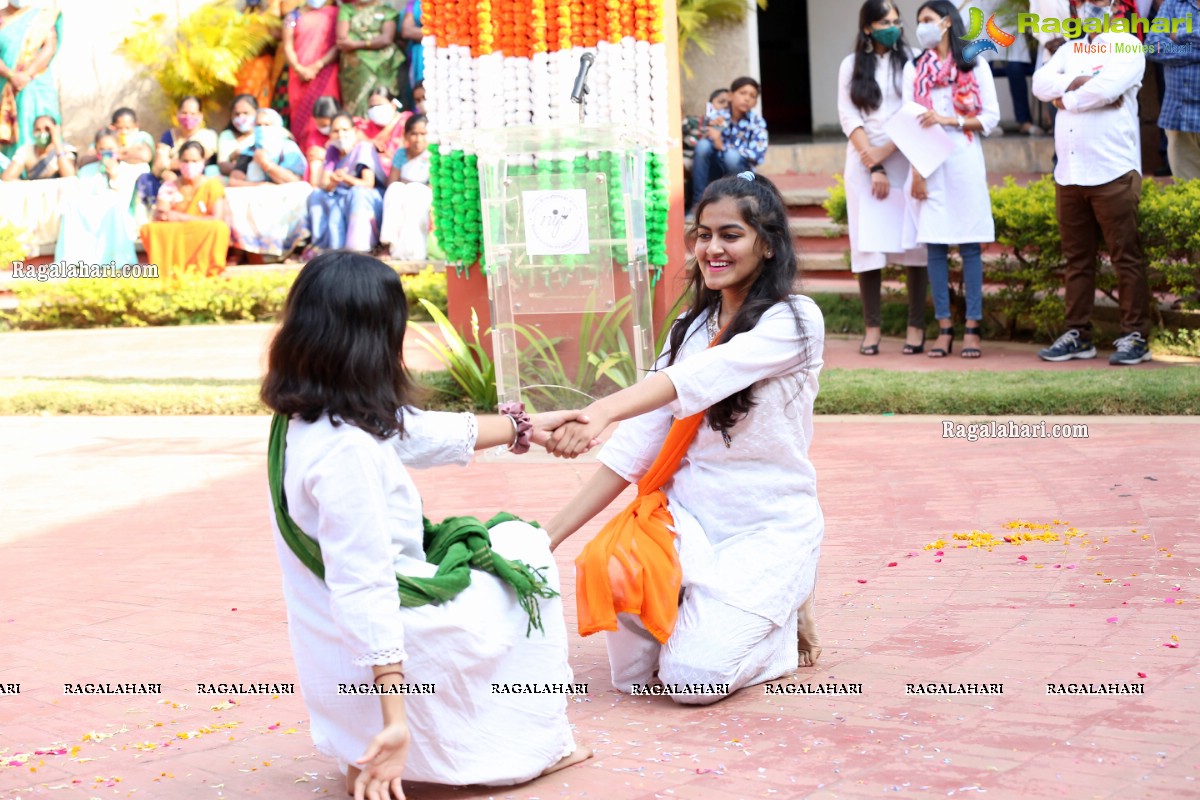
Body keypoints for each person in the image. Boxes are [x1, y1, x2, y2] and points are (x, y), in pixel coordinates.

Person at [261, 251, 592, 796]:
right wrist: (393, 719)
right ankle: (538, 744)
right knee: (527, 551)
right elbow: (364, 586)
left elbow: (411, 431)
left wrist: (522, 428)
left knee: (504, 547)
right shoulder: (348, 452)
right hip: (393, 628)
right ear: (376, 341)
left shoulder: (303, 419)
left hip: (324, 632)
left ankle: (364, 752)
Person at [543, 173, 826, 705]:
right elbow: (634, 448)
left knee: (692, 680)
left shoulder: (796, 320)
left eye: (730, 235)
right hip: (688, 522)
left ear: (766, 244)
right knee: (632, 673)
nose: (712, 248)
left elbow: (702, 378)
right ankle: (714, 610)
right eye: (702, 234)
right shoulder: (690, 331)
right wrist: (549, 535)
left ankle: (780, 625)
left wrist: (601, 407)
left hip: (765, 525)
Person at [1033, 0, 1153, 365]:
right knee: (1077, 259)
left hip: (1112, 172)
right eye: (1087, 3)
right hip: (1069, 174)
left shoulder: (1129, 47)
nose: (1093, 9)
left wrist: (1064, 98)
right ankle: (1077, 335)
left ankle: (1135, 336)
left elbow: (1106, 90)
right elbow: (1040, 83)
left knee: (1126, 257)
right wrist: (1078, 83)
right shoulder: (1069, 49)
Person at [902, 1, 999, 359]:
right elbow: (910, 122)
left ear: (946, 23)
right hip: (929, 165)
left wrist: (949, 120)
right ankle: (944, 328)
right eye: (919, 22)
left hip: (964, 160)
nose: (922, 27)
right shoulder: (914, 69)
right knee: (936, 247)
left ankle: (973, 327)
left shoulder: (974, 64)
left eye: (927, 20)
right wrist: (916, 172)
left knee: (970, 245)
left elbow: (990, 118)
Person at [838, 0, 929, 356]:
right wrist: (872, 162)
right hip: (863, 162)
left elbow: (915, 110)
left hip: (907, 157)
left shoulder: (914, 59)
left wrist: (885, 153)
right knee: (868, 246)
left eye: (896, 20)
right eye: (884, 22)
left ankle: (916, 327)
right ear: (867, 28)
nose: (893, 27)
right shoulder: (851, 64)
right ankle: (872, 329)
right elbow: (848, 115)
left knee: (914, 247)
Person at [226, 108, 312, 257]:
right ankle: (243, 251)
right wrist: (260, 186)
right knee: (229, 195)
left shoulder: (288, 147)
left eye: (267, 124)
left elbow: (294, 180)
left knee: (303, 190)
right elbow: (234, 181)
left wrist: (266, 164)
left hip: (282, 193)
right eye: (258, 125)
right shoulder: (249, 151)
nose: (262, 129)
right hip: (257, 191)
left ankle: (294, 249)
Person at [139, 140, 231, 278]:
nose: (190, 165)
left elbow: (217, 218)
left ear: (203, 161)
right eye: (185, 161)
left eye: (194, 161)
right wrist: (169, 216)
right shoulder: (170, 186)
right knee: (150, 229)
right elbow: (163, 214)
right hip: (178, 231)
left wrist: (182, 218)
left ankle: (208, 269)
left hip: (202, 229)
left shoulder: (212, 185)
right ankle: (168, 272)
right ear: (179, 162)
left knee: (219, 228)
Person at [54, 128, 141, 266]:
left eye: (110, 148)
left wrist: (114, 176)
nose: (106, 152)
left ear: (118, 148)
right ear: (96, 150)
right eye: (102, 148)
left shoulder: (127, 170)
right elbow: (82, 196)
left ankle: (117, 261)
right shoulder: (87, 170)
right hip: (90, 217)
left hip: (116, 217)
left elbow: (123, 200)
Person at [305, 110, 386, 255]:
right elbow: (324, 184)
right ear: (330, 134)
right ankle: (322, 247)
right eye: (336, 131)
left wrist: (346, 178)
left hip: (366, 197)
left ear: (354, 131)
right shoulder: (332, 151)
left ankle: (360, 248)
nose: (341, 135)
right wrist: (333, 182)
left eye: (345, 130)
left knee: (357, 193)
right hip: (340, 195)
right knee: (316, 195)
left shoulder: (363, 148)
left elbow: (368, 183)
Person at [690, 77, 768, 207]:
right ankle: (698, 202)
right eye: (742, 93)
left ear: (755, 102)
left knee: (731, 156)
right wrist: (713, 136)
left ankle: (737, 203)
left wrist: (722, 146)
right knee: (703, 146)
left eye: (752, 96)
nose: (747, 98)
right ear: (731, 95)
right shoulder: (718, 117)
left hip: (741, 173)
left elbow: (758, 156)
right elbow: (703, 147)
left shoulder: (757, 122)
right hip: (716, 170)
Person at [137, 96, 220, 217]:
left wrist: (169, 165)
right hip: (168, 180)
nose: (188, 117)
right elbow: (157, 167)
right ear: (177, 114)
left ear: (200, 115)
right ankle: (154, 218)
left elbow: (196, 160)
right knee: (146, 179)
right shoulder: (169, 135)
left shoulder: (207, 136)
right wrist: (165, 174)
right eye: (184, 113)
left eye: (193, 113)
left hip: (196, 180)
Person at [0, 0, 62, 160]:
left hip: (37, 84)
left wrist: (26, 75)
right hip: (6, 85)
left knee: (43, 125)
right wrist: (11, 75)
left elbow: (49, 48)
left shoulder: (41, 16)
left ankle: (45, 167)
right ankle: (11, 172)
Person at [1147, 0, 1200, 182]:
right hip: (1179, 115)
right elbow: (1153, 46)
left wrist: (1180, 35)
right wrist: (1195, 51)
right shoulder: (1172, 4)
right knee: (1188, 197)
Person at [284, 0, 340, 155]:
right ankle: (302, 157)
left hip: (325, 72)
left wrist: (317, 66)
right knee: (301, 119)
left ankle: (329, 155)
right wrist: (298, 68)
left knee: (327, 112)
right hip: (298, 76)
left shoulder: (334, 13)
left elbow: (338, 44)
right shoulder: (293, 16)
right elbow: (287, 46)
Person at [337, 0, 404, 117]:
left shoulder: (386, 10)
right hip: (356, 69)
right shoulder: (347, 9)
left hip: (384, 66)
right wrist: (373, 42)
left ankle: (387, 131)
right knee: (357, 107)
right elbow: (343, 41)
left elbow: (386, 39)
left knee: (382, 102)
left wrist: (357, 44)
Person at [379, 113, 430, 260]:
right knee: (395, 190)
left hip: (423, 195)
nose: (418, 139)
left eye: (423, 134)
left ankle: (414, 253)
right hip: (402, 194)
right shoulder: (401, 154)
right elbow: (392, 182)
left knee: (415, 192)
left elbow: (434, 186)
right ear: (406, 135)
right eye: (413, 134)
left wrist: (413, 185)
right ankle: (388, 245)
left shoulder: (433, 154)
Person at [1, 113, 74, 180]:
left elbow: (70, 177)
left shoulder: (66, 149)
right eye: (38, 130)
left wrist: (57, 144)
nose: (42, 133)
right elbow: (7, 178)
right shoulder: (26, 151)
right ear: (33, 132)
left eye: (47, 129)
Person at [360, 84, 410, 165]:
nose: (375, 108)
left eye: (379, 104)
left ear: (393, 105)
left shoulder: (406, 120)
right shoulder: (365, 127)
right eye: (371, 106)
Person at [216, 94, 260, 178]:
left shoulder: (261, 134)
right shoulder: (226, 135)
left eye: (245, 113)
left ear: (256, 112)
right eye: (237, 114)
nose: (241, 117)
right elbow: (223, 165)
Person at [301, 94, 340, 158]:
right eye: (320, 125)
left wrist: (327, 155)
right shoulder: (314, 138)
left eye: (326, 125)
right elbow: (314, 162)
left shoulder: (353, 128)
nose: (323, 129)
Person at [401, 0, 423, 107]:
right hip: (421, 57)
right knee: (420, 94)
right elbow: (407, 31)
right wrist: (440, 33)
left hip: (455, 54)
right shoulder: (414, 3)